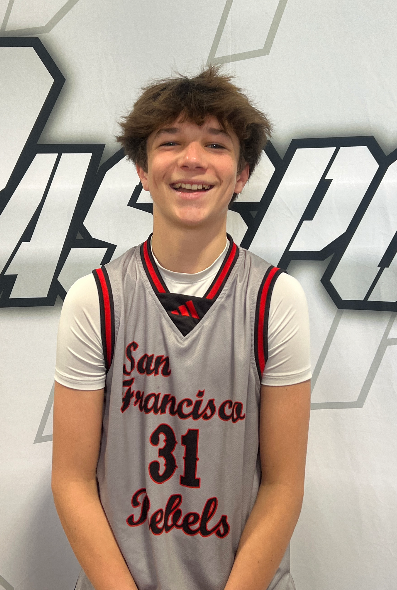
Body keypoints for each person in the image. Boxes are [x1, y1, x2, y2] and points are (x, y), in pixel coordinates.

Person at [52, 66, 311, 590]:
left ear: (242, 173)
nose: (192, 159)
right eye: (170, 142)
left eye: (216, 144)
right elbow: (72, 480)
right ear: (142, 169)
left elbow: (283, 486)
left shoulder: (275, 300)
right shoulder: (95, 299)